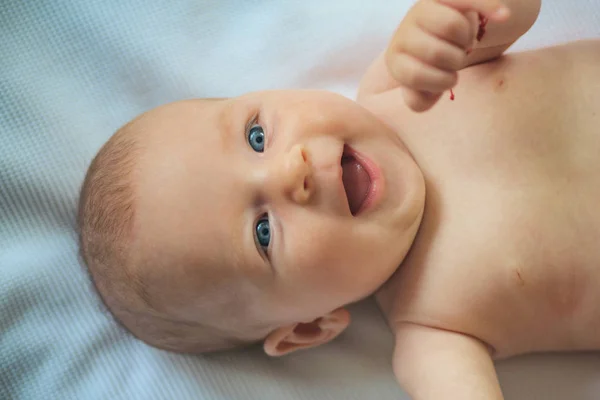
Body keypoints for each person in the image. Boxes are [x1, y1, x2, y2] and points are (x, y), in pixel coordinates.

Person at [78, 0, 600, 397]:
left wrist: (459, 19)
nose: (293, 172)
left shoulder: (400, 84)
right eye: (263, 232)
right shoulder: (433, 335)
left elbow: (516, 10)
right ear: (309, 327)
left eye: (257, 136)